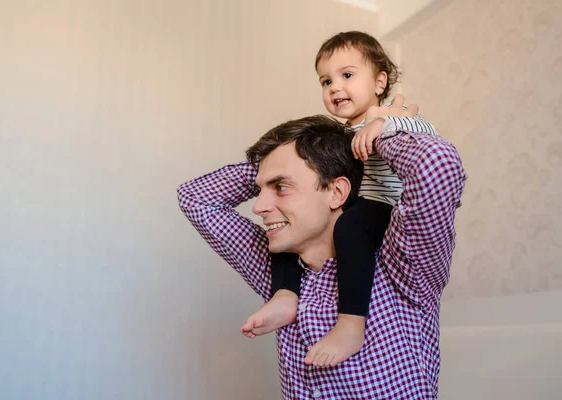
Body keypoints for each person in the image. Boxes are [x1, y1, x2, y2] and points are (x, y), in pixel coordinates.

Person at [177, 112, 466, 399]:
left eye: (281, 187)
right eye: (259, 190)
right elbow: (196, 198)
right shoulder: (278, 275)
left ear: (337, 191)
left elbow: (437, 165)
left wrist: (371, 139)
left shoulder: (403, 266)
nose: (259, 206)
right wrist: (271, 163)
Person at [242, 31, 439, 367]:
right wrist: (283, 163)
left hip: (385, 206)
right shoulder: (342, 134)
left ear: (379, 81)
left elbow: (429, 138)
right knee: (293, 232)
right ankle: (286, 294)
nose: (334, 87)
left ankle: (350, 323)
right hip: (355, 202)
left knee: (347, 227)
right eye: (325, 81)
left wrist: (383, 126)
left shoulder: (393, 116)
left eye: (346, 75)